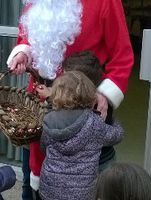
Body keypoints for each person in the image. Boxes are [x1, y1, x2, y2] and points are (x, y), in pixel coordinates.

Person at [6, 0, 134, 197]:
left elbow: (122, 56)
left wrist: (104, 94)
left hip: (85, 106)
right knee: (31, 183)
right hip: (39, 107)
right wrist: (24, 52)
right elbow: (28, 37)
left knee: (86, 188)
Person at [38, 71, 124, 200]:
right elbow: (117, 136)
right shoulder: (94, 123)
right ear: (89, 95)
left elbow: (44, 147)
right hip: (82, 194)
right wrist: (113, 121)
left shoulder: (49, 120)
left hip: (49, 189)